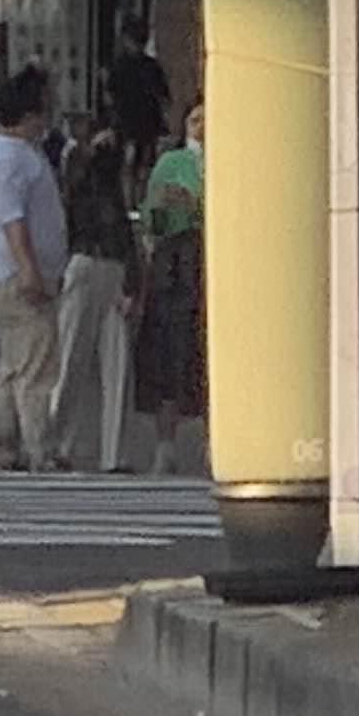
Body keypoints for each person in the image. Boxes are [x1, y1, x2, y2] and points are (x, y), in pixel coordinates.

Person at [0, 66, 67, 472]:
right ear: (29, 115)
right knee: (35, 368)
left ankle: (5, 446)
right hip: (18, 276)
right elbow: (14, 222)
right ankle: (38, 448)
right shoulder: (9, 159)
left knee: (14, 367)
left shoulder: (15, 154)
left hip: (7, 274)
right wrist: (30, 270)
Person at [49, 118, 138, 474]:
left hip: (93, 264)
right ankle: (104, 452)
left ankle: (63, 444)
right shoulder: (91, 180)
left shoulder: (89, 183)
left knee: (79, 358)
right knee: (95, 361)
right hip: (100, 263)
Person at [134, 99, 207, 453]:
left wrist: (196, 206)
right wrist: (165, 206)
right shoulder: (172, 162)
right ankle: (166, 444)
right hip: (176, 265)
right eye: (195, 119)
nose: (201, 127)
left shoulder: (232, 159)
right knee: (170, 352)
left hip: (211, 258)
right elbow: (154, 220)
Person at [105, 19, 170, 188]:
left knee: (133, 163)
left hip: (132, 121)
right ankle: (138, 196)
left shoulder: (121, 66)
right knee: (140, 163)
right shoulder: (150, 66)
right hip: (142, 121)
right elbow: (163, 96)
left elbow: (110, 96)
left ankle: (133, 198)